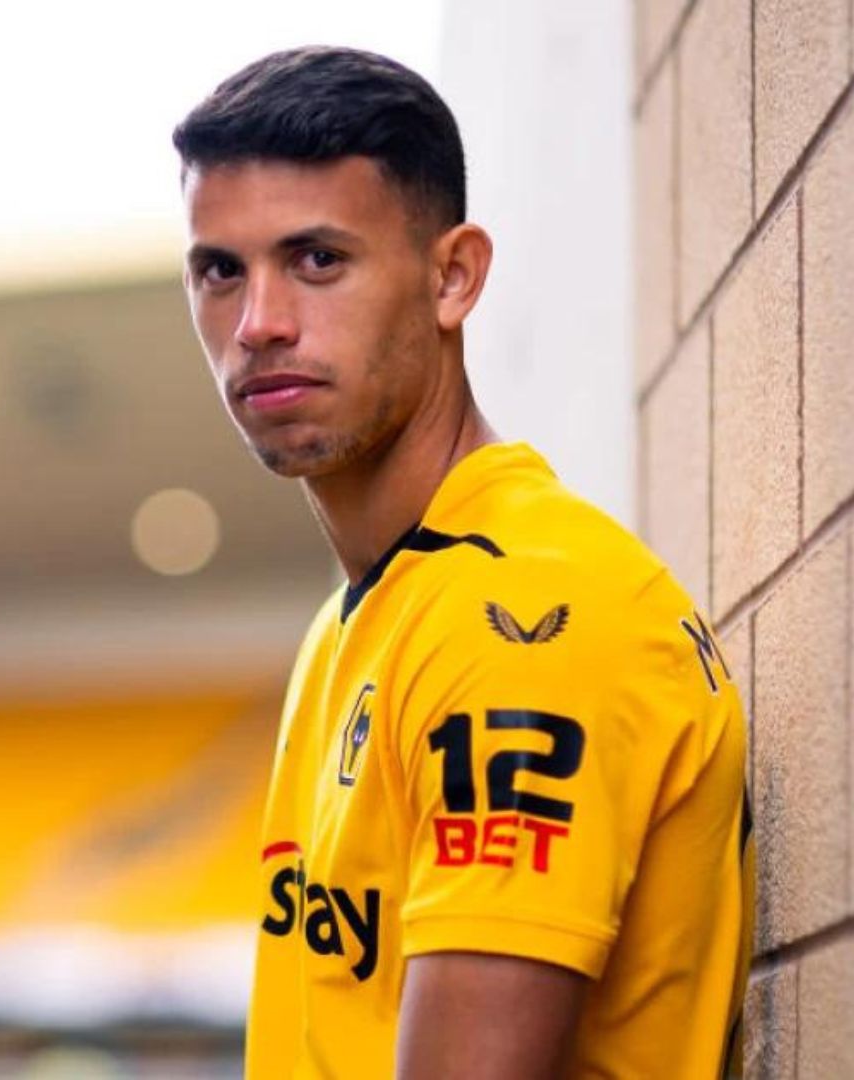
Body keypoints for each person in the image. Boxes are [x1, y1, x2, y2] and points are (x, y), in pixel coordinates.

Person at [172, 46, 752, 1078]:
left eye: (317, 260)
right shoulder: (358, 622)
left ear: (453, 277)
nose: (259, 324)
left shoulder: (531, 612)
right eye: (221, 271)